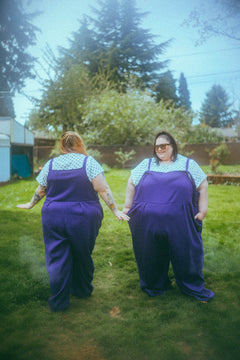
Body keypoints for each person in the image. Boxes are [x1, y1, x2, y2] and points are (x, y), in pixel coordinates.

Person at [17, 131, 129, 312]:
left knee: (56, 257)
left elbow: (41, 189)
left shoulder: (51, 164)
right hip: (83, 216)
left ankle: (59, 301)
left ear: (62, 146)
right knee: (82, 253)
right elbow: (102, 188)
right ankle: (82, 290)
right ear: (80, 144)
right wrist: (115, 210)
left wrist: (31, 204)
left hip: (53, 215)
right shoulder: (89, 162)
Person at [123, 130, 214, 302]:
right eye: (156, 146)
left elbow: (203, 186)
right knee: (150, 254)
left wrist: (202, 211)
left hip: (181, 222)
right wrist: (128, 206)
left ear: (172, 146)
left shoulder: (188, 165)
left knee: (186, 254)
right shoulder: (146, 165)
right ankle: (155, 284)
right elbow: (131, 182)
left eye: (163, 145)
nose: (159, 149)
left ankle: (190, 285)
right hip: (147, 223)